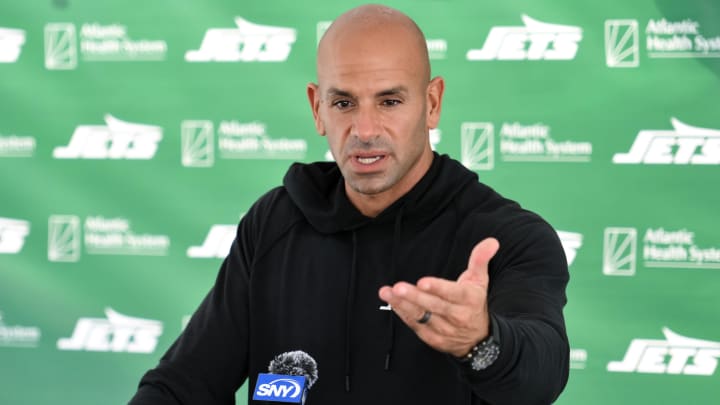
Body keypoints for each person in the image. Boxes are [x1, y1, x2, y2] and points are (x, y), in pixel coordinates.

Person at [129, 4, 569, 404]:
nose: (364, 129)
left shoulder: (504, 237)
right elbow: (183, 385)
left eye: (390, 101)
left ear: (431, 104)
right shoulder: (274, 222)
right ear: (317, 108)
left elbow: (540, 376)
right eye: (343, 102)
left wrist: (481, 342)